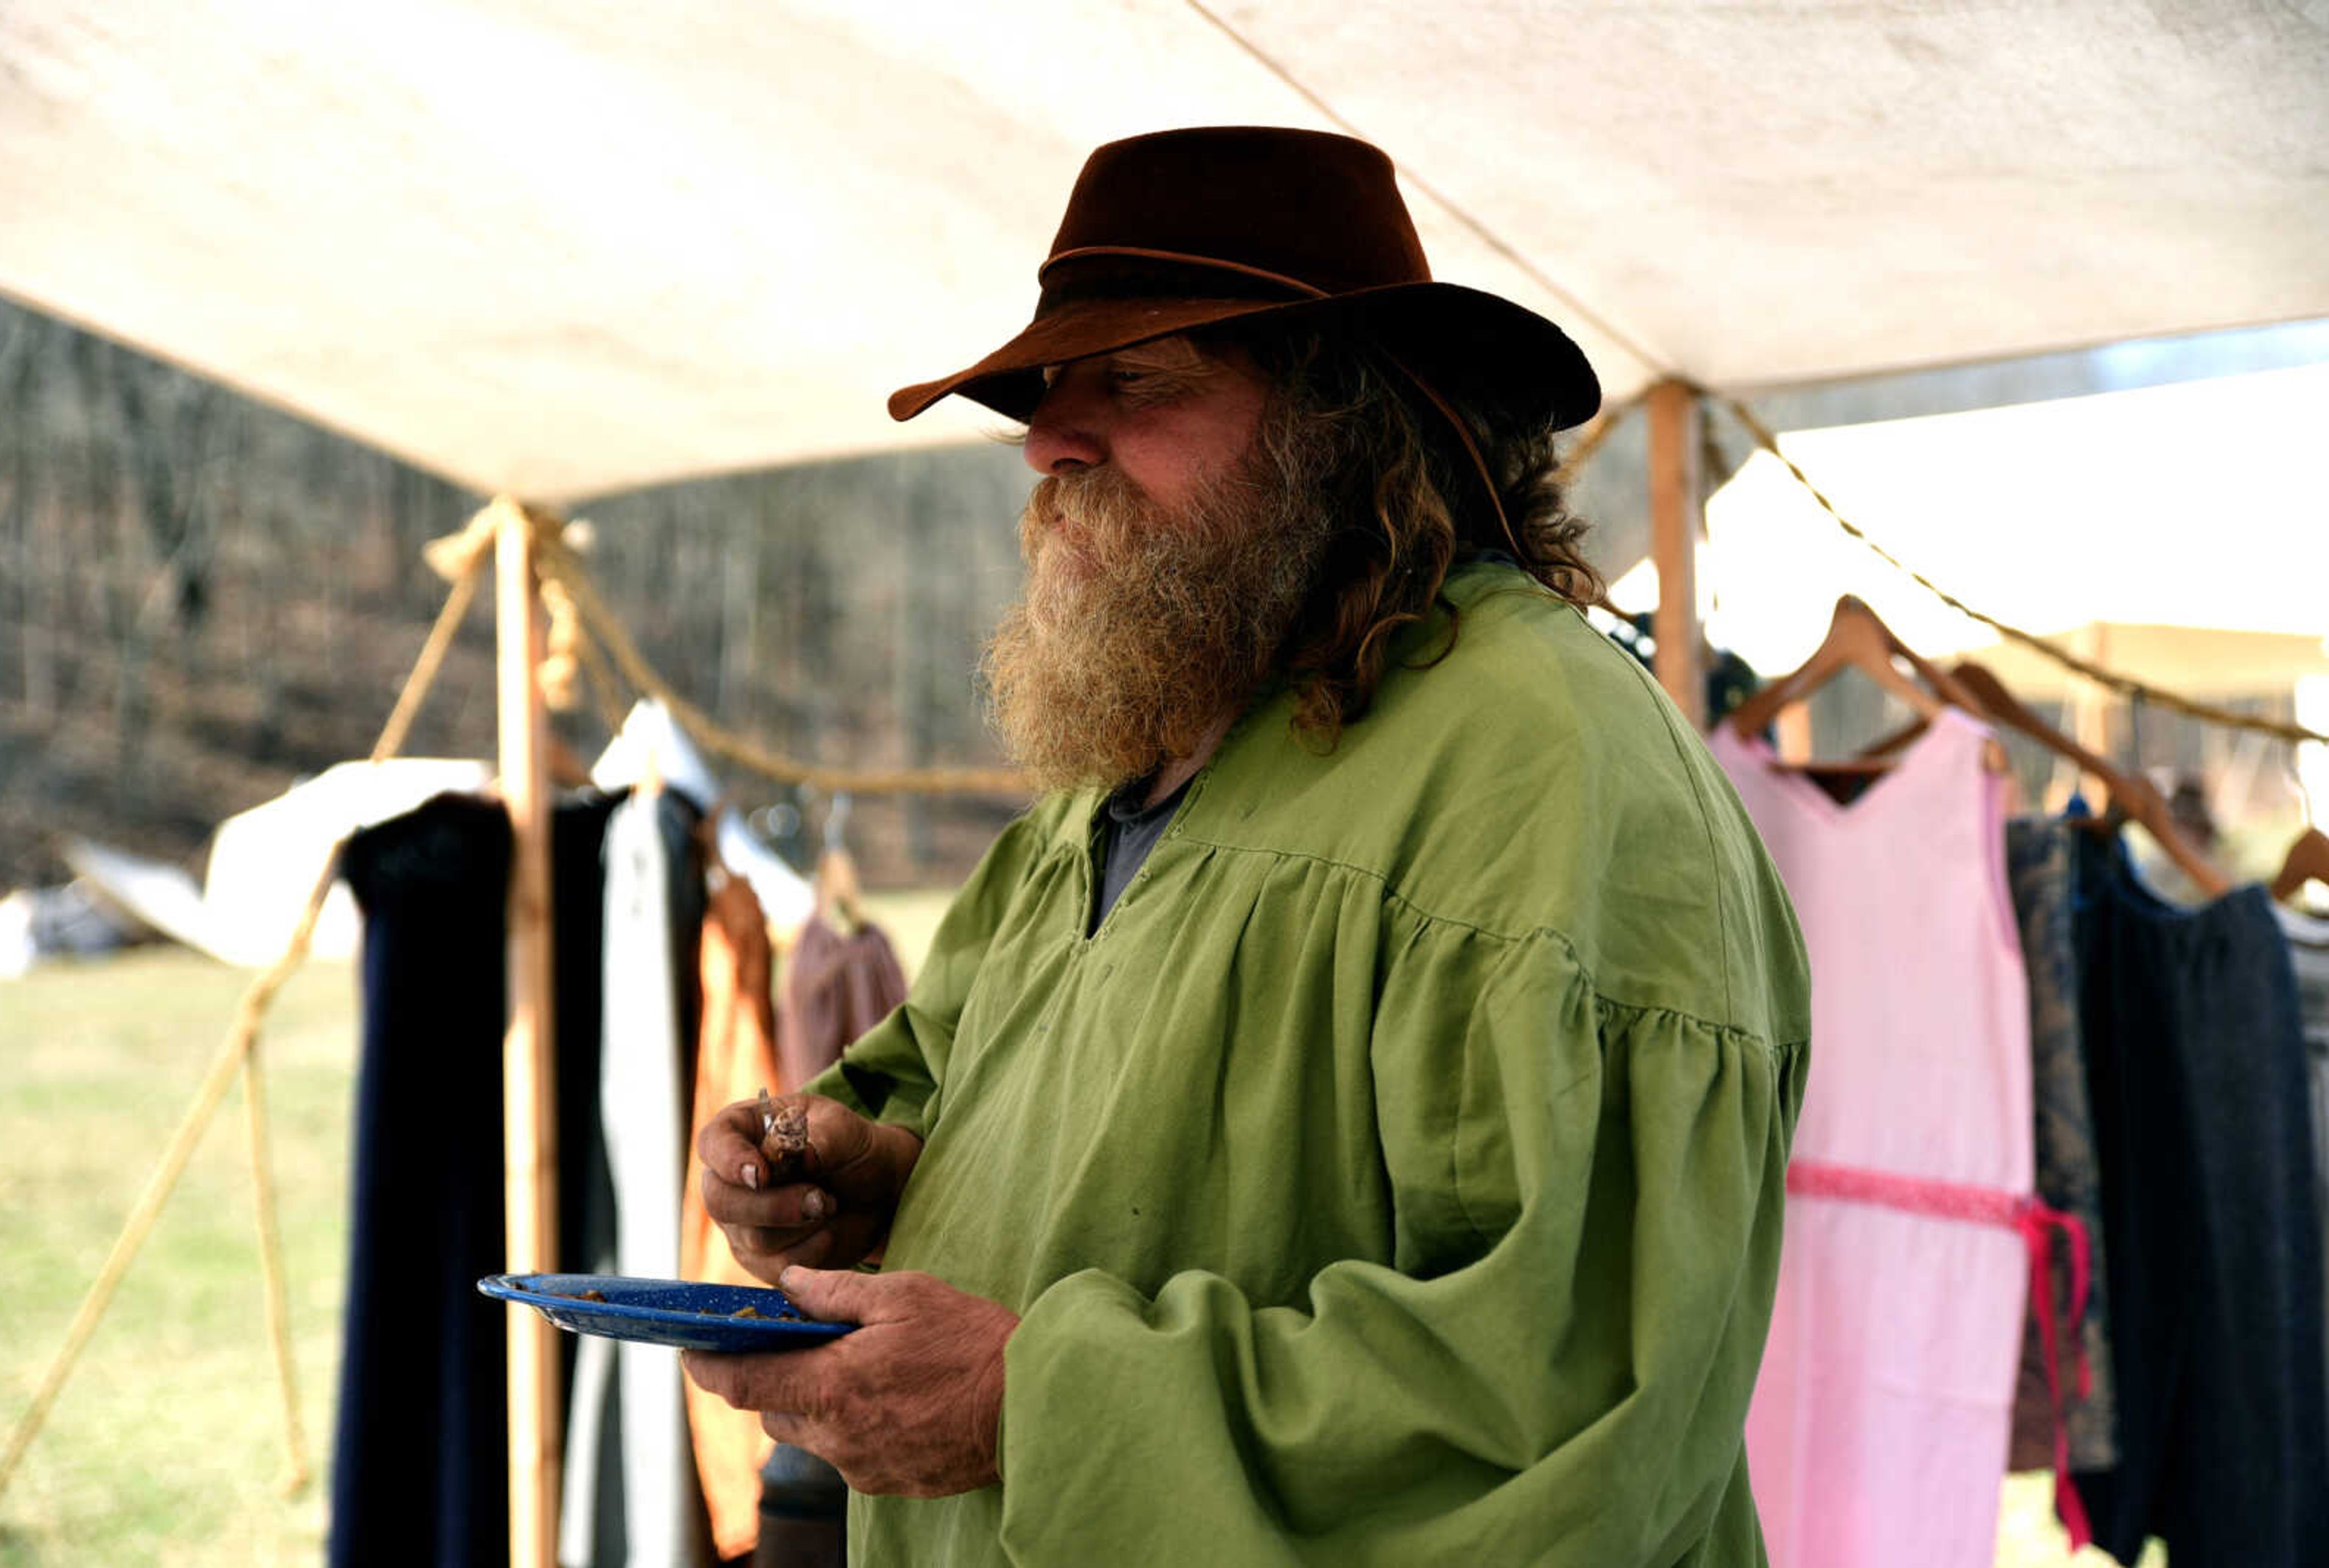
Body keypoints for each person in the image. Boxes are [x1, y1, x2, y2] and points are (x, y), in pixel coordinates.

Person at [685, 125, 1811, 1566]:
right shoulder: (1144, 754)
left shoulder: (1545, 761)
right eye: (1044, 393)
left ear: (1345, 422)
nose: (1049, 442)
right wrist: (863, 1172)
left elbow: (1565, 1398)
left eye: (1136, 379)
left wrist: (1032, 1402)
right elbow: (990, 1085)